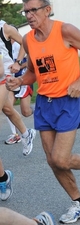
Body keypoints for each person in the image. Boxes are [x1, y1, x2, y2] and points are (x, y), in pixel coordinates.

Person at [6, 0, 80, 224]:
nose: (29, 16)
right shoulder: (28, 39)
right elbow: (34, 72)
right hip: (44, 102)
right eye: (26, 12)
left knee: (61, 158)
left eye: (33, 10)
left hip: (68, 100)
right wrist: (20, 80)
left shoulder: (65, 30)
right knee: (52, 160)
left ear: (47, 10)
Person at [0, 20, 36, 156]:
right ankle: (27, 134)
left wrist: (18, 62)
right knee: (8, 108)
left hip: (6, 75)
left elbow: (25, 44)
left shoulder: (5, 29)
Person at [5, 35, 34, 144]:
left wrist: (19, 65)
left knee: (26, 112)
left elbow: (31, 60)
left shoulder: (21, 45)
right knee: (8, 107)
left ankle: (37, 110)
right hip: (10, 80)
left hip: (23, 80)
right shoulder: (3, 45)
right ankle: (15, 134)